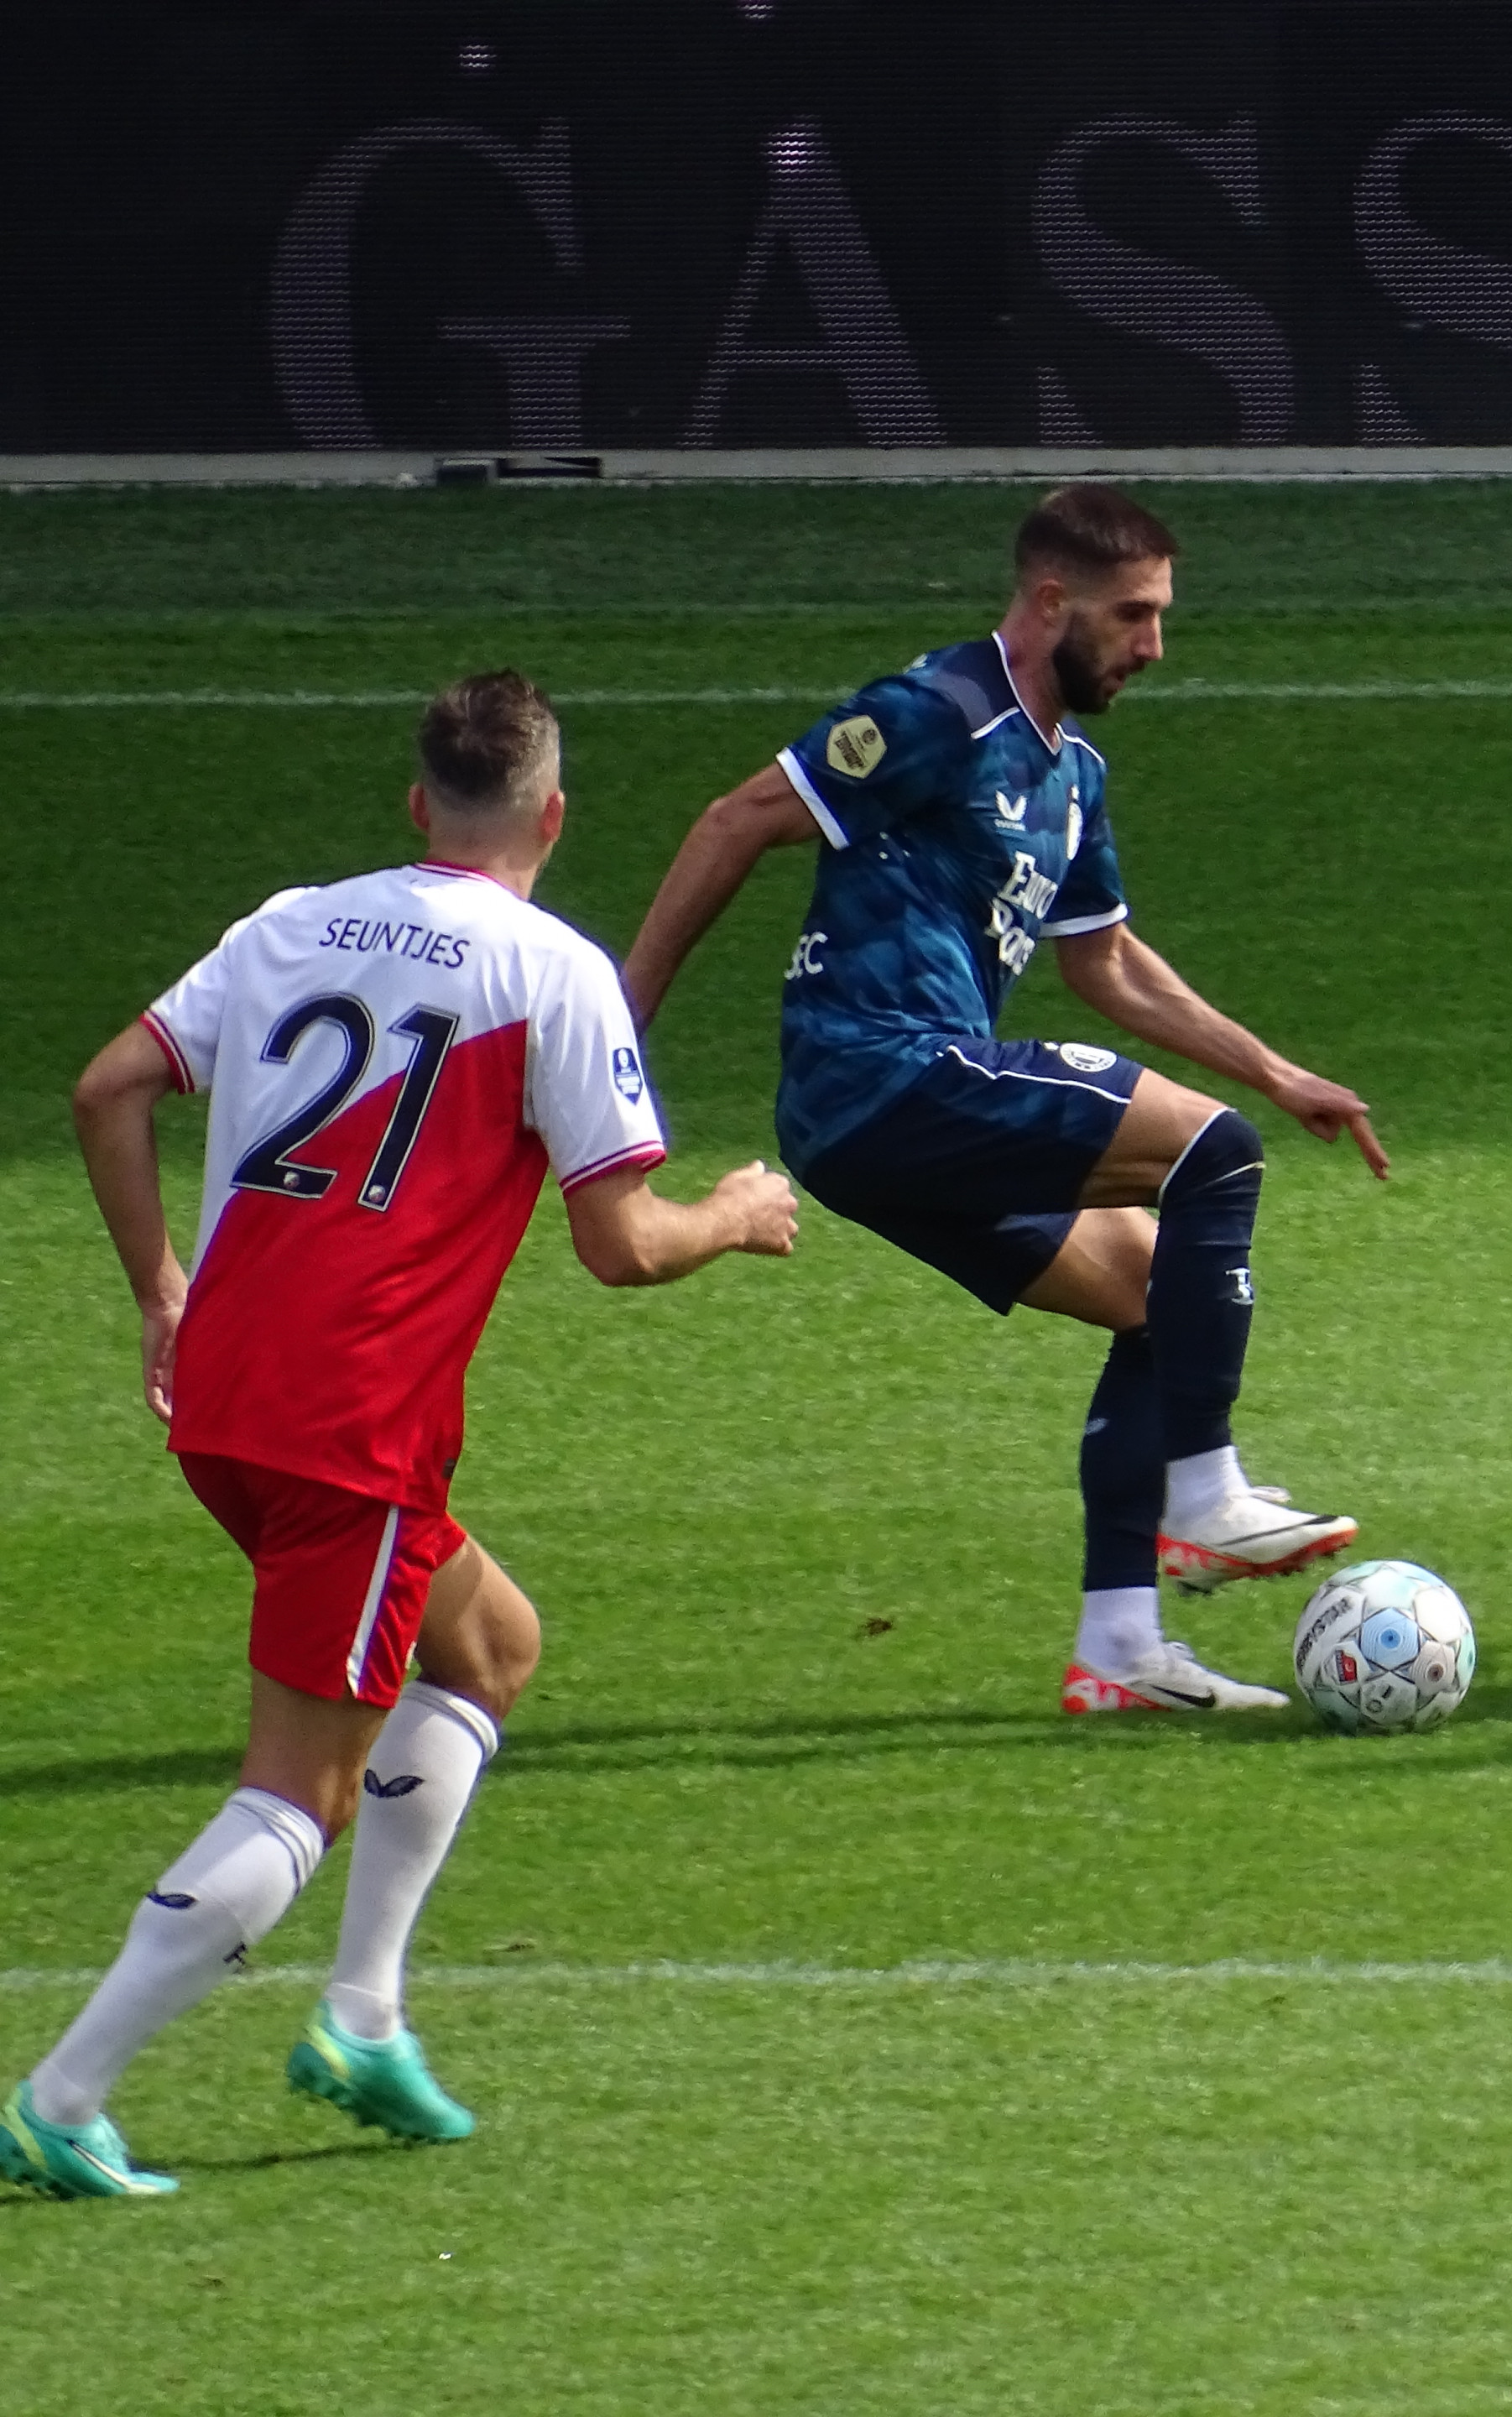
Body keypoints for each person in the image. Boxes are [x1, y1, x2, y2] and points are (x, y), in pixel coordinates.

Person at [6, 673, 798, 2200]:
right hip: (347, 1426)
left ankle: (362, 2020)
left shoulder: (291, 919)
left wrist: (161, 1291)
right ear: (553, 818)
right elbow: (622, 1244)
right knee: (293, 1791)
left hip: (230, 1396)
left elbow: (108, 1087)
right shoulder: (553, 973)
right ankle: (62, 2093)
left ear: (417, 807)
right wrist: (737, 1217)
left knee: (490, 1648)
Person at [620, 484, 1384, 1717]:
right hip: (879, 1069)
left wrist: (1279, 1069)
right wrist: (624, 1020)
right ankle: (1205, 1490)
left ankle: (1123, 1649)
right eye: (1133, 615)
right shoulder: (935, 712)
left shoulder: (1071, 770)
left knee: (1150, 1291)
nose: (1153, 645)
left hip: (905, 1116)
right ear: (1048, 602)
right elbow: (737, 820)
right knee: (1215, 1158)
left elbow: (1110, 964)